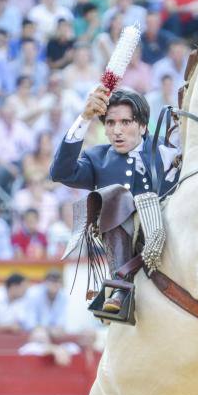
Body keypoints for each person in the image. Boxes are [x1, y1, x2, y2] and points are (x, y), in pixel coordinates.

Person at [50, 86, 179, 314]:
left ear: (141, 125)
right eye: (110, 123)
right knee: (112, 196)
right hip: (127, 246)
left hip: (173, 235)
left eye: (125, 122)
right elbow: (60, 172)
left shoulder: (167, 149)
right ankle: (121, 286)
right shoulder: (96, 158)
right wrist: (85, 117)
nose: (117, 131)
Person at [24, 269, 67, 334]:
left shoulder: (63, 296)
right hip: (34, 332)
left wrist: (58, 329)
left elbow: (61, 322)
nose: (55, 284)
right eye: (52, 281)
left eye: (58, 282)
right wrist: (45, 329)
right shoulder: (34, 293)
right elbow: (30, 322)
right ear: (45, 282)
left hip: (53, 333)